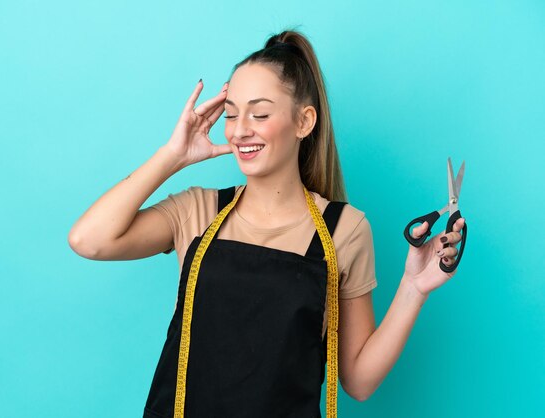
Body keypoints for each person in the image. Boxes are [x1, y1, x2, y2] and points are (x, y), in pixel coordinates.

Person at [68, 29, 465, 418]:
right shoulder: (196, 211)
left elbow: (358, 381)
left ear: (304, 121)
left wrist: (413, 288)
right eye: (231, 114)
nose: (241, 130)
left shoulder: (343, 230)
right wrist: (174, 155)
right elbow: (89, 239)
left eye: (259, 113)